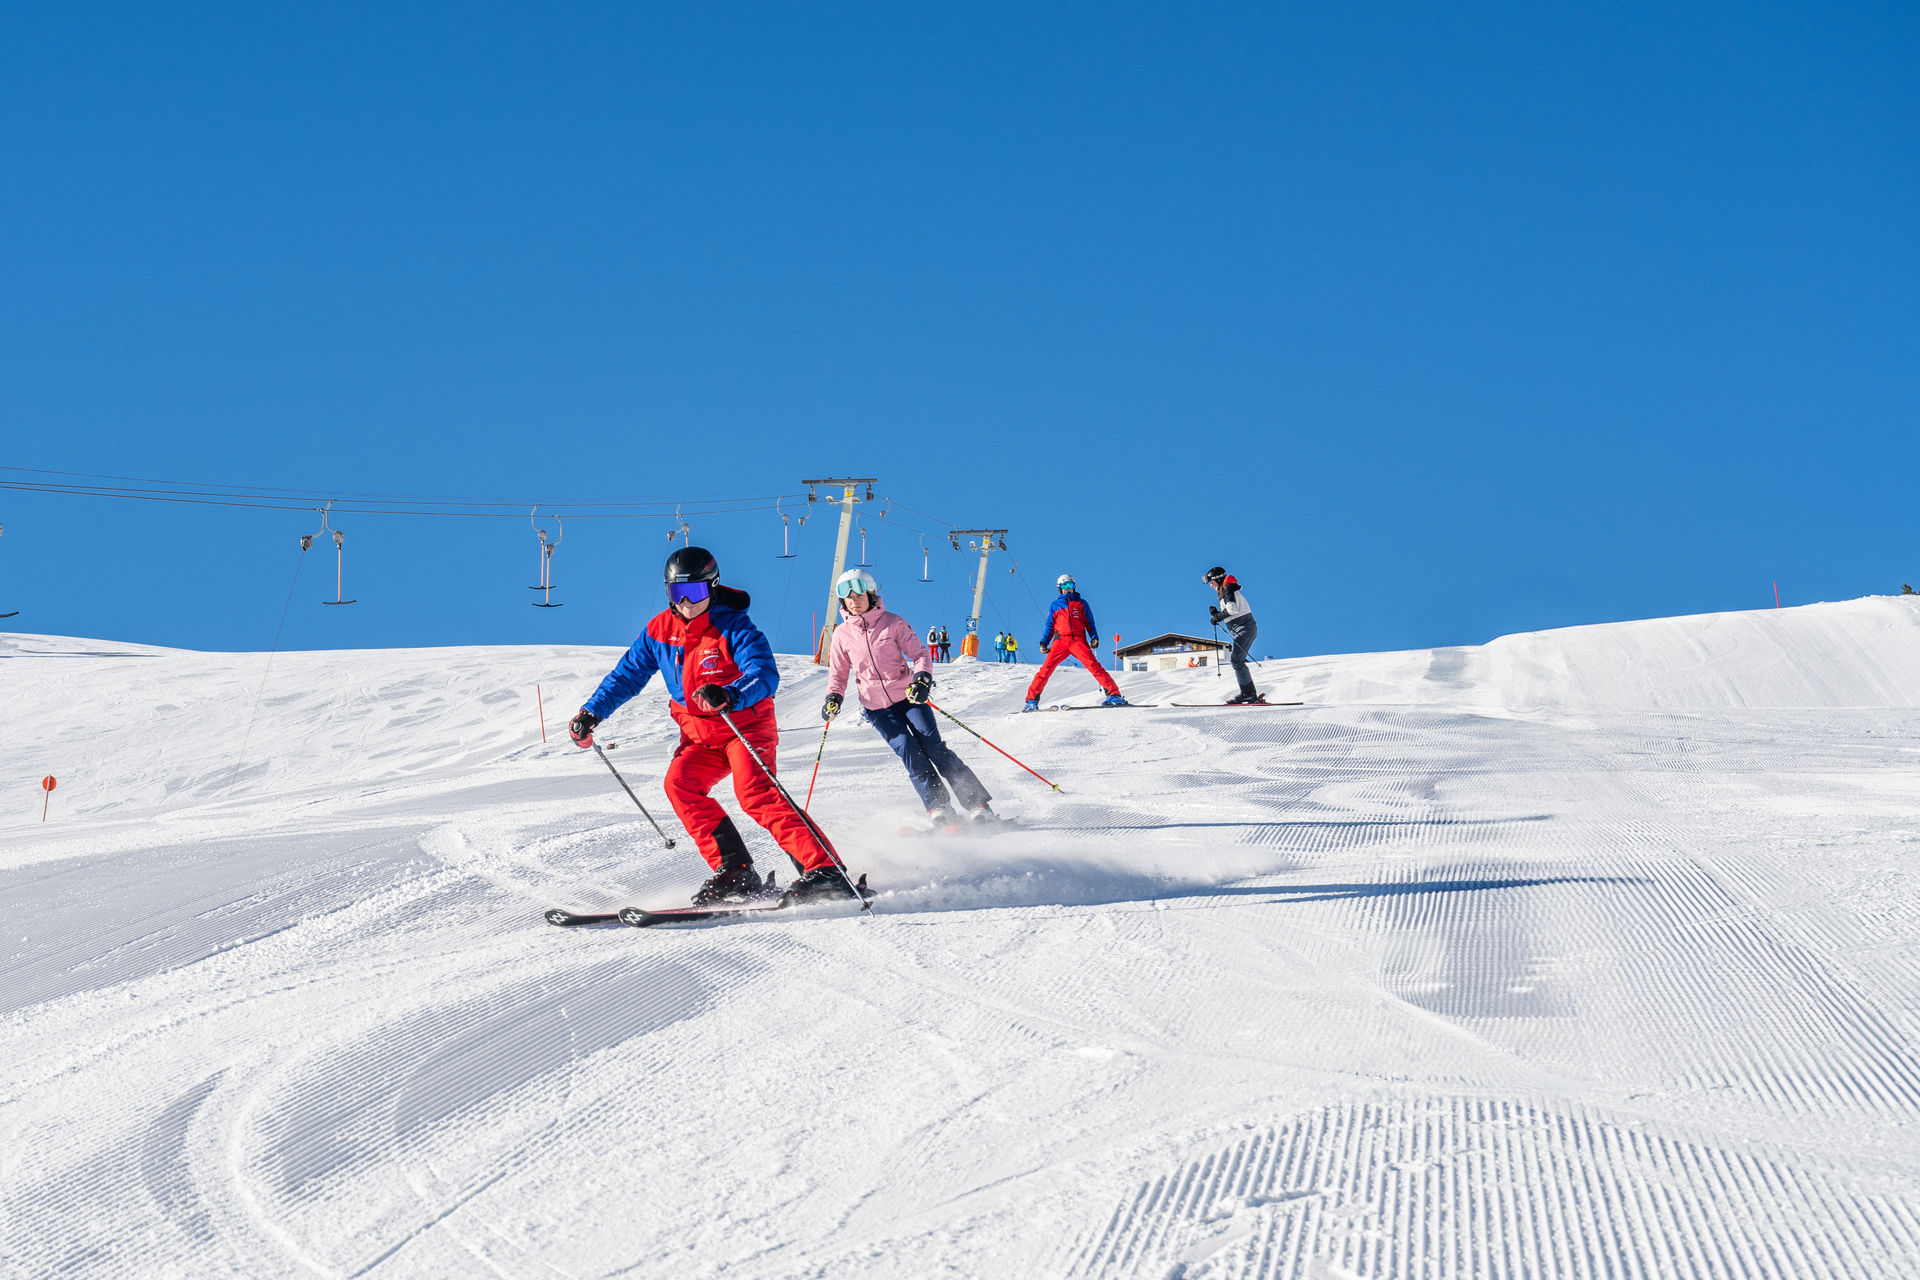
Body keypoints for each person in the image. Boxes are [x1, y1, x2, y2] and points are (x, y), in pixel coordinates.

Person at [567, 546, 857, 905]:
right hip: (699, 737)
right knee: (680, 784)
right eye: (678, 594)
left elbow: (765, 674)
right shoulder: (659, 631)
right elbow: (627, 676)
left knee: (755, 794)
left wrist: (731, 694)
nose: (687, 603)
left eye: (697, 593)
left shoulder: (735, 627)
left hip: (743, 728)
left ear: (713, 588)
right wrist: (591, 713)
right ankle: (735, 871)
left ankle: (825, 871)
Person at [823, 569, 1000, 826]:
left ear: (871, 595)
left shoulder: (893, 622)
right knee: (908, 749)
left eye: (859, 594)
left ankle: (978, 805)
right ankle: (939, 807)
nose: (854, 601)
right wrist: (833, 698)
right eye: (848, 598)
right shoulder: (841, 635)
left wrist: (922, 680)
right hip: (876, 707)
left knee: (933, 746)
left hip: (908, 698)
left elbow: (920, 655)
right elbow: (838, 675)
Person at [1023, 574, 1127, 710]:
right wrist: (1044, 642)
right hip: (1060, 641)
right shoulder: (1055, 605)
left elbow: (1090, 622)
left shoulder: (1081, 603)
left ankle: (1114, 695)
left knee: (1094, 666)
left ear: (1074, 587)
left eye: (1070, 586)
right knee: (1045, 670)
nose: (1067, 589)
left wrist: (1094, 636)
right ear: (1059, 588)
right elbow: (1049, 626)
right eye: (1064, 586)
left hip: (1078, 641)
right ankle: (1031, 700)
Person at [1205, 565, 1264, 704]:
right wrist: (1216, 614)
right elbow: (1230, 611)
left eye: (1211, 582)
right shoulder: (1227, 589)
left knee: (1236, 660)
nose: (1211, 586)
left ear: (1217, 579)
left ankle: (1248, 694)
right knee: (1237, 660)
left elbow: (1232, 610)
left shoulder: (1226, 589)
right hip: (1246, 628)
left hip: (1245, 629)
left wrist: (1217, 617)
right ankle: (1249, 693)